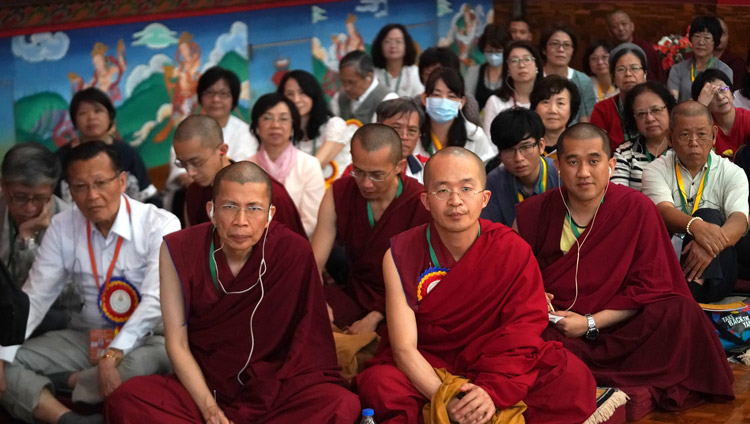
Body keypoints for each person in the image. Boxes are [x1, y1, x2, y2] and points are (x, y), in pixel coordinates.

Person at [105, 162, 360, 423]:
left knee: (341, 404)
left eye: (254, 208)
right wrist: (209, 409)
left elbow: (308, 340)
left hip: (275, 388)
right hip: (206, 385)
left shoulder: (294, 252)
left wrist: (272, 389)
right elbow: (177, 343)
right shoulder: (179, 249)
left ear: (270, 214)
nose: (241, 221)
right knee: (129, 399)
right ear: (211, 211)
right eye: (229, 207)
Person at [357, 147, 597, 423]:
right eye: (443, 190)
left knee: (571, 377)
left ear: (484, 198)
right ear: (425, 200)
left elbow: (523, 330)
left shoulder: (511, 248)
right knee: (380, 384)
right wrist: (448, 399)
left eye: (467, 189)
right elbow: (403, 348)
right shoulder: (400, 253)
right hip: (430, 364)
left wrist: (491, 391)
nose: (455, 201)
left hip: (497, 364)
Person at [516, 123, 735, 417]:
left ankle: (594, 379)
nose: (583, 172)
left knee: (681, 311)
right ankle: (618, 382)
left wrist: (590, 323)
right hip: (559, 323)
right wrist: (533, 294)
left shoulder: (636, 208)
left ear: (610, 165)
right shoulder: (536, 212)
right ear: (557, 166)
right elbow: (512, 274)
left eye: (594, 161)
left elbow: (652, 286)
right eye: (572, 161)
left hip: (620, 322)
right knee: (523, 334)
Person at [0, 141, 180, 424]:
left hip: (147, 339)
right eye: (80, 187)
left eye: (100, 183)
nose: (92, 195)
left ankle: (67, 383)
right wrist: (4, 351)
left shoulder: (161, 224)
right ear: (69, 191)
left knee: (137, 367)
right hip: (88, 335)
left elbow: (155, 301)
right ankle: (71, 419)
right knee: (4, 364)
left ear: (122, 181)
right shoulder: (62, 226)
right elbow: (35, 297)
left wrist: (114, 354)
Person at [311, 124, 430, 335]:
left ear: (400, 166)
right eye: (358, 171)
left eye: (376, 175)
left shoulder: (419, 201)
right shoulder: (339, 192)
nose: (365, 184)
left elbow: (424, 278)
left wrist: (377, 315)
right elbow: (313, 263)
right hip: (354, 294)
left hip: (402, 302)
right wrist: (318, 301)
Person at [642, 101, 749, 302]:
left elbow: (739, 220)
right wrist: (695, 226)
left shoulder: (732, 172)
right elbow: (663, 210)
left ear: (714, 135)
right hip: (669, 261)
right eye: (684, 135)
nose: (693, 142)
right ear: (670, 137)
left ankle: (690, 292)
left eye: (701, 134)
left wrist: (709, 244)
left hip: (719, 269)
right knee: (701, 219)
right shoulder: (654, 170)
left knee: (709, 215)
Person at [172, 115, 306, 237]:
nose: (190, 173)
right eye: (182, 164)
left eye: (197, 162)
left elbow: (294, 252)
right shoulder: (194, 193)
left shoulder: (269, 192)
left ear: (222, 150)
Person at [1, 143, 74, 335]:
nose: (30, 208)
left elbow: (64, 295)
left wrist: (27, 240)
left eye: (40, 198)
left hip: (48, 314)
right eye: (20, 197)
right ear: (3, 185)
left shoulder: (67, 221)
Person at [166, 67, 259, 196]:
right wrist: (194, 183)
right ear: (201, 96)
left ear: (234, 98)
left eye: (223, 94)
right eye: (209, 93)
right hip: (193, 191)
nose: (216, 99)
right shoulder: (189, 128)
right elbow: (179, 169)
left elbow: (242, 169)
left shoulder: (245, 133)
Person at [57, 88, 158, 205]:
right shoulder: (62, 158)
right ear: (74, 121)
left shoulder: (127, 153)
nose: (91, 117)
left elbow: (148, 196)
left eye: (98, 111)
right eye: (83, 113)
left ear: (110, 117)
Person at [249, 93, 325, 238]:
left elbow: (312, 221)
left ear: (292, 128)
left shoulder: (309, 165)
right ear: (256, 127)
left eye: (283, 119)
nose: (275, 125)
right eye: (267, 118)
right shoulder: (245, 167)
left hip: (296, 245)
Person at [482, 108, 559, 226]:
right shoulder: (494, 182)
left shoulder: (561, 175)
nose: (518, 158)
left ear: (541, 146)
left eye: (525, 147)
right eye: (509, 150)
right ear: (499, 153)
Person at [279, 70, 352, 184]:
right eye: (289, 94)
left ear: (313, 94)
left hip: (338, 196)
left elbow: (315, 166)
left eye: (302, 92)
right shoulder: (286, 131)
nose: (296, 99)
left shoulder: (335, 125)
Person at [415, 67, 495, 163]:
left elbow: (488, 170)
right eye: (436, 95)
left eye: (451, 96)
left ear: (462, 102)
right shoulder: (413, 134)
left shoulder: (475, 136)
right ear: (424, 99)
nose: (443, 101)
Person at [612, 82, 676, 191]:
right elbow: (619, 197)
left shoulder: (683, 147)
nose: (650, 119)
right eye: (641, 114)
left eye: (656, 110)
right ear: (633, 118)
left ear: (669, 110)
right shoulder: (624, 152)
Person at [590, 43, 648, 150]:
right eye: (621, 69)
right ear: (613, 77)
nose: (628, 74)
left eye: (634, 68)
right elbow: (596, 149)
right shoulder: (602, 109)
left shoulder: (659, 104)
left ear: (645, 74)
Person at [482, 41, 544, 137]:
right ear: (508, 69)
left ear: (537, 65)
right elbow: (489, 145)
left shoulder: (547, 100)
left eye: (527, 59)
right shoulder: (495, 102)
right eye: (514, 60)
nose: (521, 65)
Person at [668, 15, 733, 102]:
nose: (701, 42)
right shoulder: (677, 70)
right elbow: (672, 101)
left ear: (715, 42)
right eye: (697, 36)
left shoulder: (724, 70)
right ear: (691, 39)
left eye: (707, 38)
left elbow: (725, 100)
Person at [539, 24, 596, 122]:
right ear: (544, 49)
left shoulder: (583, 81)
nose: (561, 49)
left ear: (573, 50)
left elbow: (589, 119)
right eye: (554, 44)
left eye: (566, 45)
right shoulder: (534, 77)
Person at [693, 69, 750, 159]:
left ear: (731, 92)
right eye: (712, 94)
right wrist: (701, 106)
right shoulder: (703, 125)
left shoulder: (747, 118)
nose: (720, 97)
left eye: (723, 89)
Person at [417, 47, 481, 126]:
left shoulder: (468, 104)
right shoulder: (415, 104)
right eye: (429, 73)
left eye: (443, 73)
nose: (436, 78)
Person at [330, 50, 398, 124]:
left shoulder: (388, 100)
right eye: (343, 81)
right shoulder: (339, 98)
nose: (347, 88)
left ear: (369, 77)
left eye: (351, 82)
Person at [376, 98, 428, 183]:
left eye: (412, 130)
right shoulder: (360, 169)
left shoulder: (429, 169)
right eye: (396, 128)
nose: (404, 136)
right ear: (377, 128)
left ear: (419, 135)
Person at [606, 10, 664, 83]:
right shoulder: (607, 51)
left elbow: (658, 78)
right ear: (609, 31)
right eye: (615, 26)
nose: (620, 28)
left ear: (632, 26)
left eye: (624, 24)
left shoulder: (646, 49)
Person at [530, 75, 581, 157]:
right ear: (535, 107)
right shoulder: (526, 147)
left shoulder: (580, 146)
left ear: (571, 109)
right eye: (545, 102)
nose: (552, 110)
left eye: (560, 103)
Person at [463, 24, 508, 111]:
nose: (493, 55)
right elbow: (468, 100)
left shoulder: (511, 73)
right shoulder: (474, 71)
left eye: (498, 51)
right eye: (489, 51)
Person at [372, 24, 424, 98]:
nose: (393, 46)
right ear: (380, 46)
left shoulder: (414, 73)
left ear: (406, 45)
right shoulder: (373, 74)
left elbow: (420, 100)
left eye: (398, 41)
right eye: (387, 41)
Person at [714, 18, 746, 91]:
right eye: (715, 33)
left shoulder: (736, 63)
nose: (719, 37)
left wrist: (718, 90)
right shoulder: (692, 59)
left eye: (722, 33)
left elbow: (734, 90)